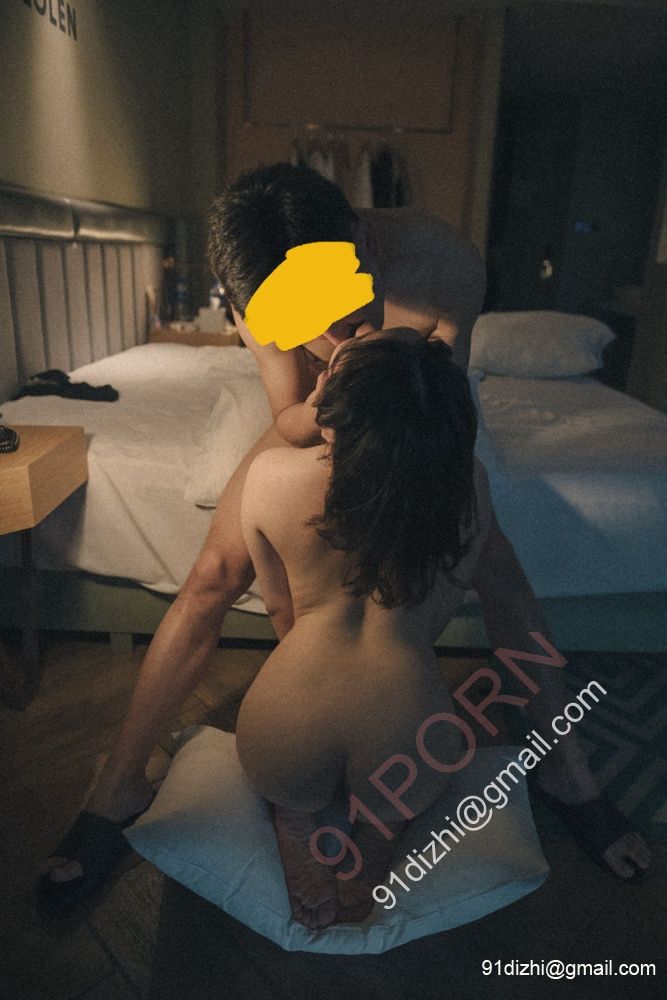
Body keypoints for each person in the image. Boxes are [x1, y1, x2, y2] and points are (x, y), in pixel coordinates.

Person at [38, 164, 649, 911]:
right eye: (306, 327)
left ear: (362, 245)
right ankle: (119, 785)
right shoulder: (260, 286)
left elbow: (439, 411)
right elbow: (290, 414)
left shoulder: (444, 264)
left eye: (344, 315)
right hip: (323, 414)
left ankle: (566, 771)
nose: (328, 338)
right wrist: (331, 412)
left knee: (497, 564)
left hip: (420, 414)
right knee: (212, 574)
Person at [237, 330, 491, 928]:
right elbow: (439, 610)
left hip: (284, 729)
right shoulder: (468, 487)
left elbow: (279, 609)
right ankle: (379, 832)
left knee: (293, 793)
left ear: (331, 422)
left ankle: (295, 819)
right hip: (411, 741)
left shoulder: (269, 476)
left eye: (327, 377)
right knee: (393, 801)